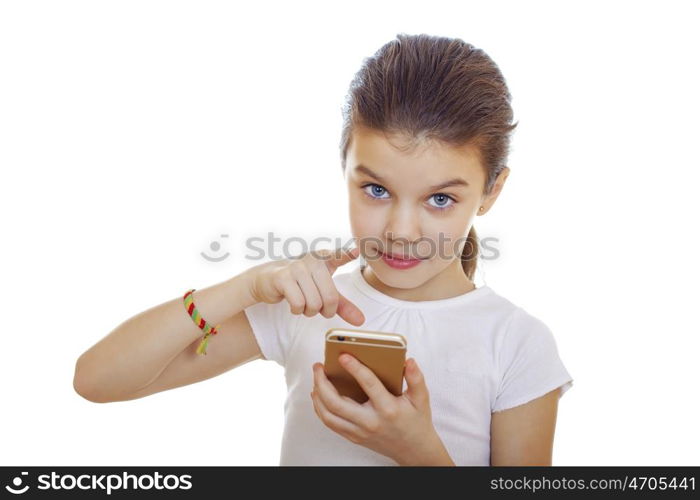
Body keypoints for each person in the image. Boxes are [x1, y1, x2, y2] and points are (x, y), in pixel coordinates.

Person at [73, 33, 573, 466]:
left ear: (491, 191)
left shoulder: (516, 342)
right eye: (376, 190)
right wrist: (244, 287)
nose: (401, 231)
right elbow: (96, 380)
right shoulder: (307, 306)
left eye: (440, 199)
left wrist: (420, 455)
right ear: (345, 170)